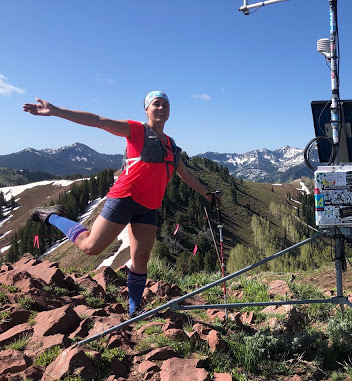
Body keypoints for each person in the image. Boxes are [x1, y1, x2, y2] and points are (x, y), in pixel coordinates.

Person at [23, 91, 221, 317]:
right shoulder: (136, 130)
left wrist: (207, 194)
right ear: (147, 109)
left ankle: (134, 309)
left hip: (149, 207)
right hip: (124, 198)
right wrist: (57, 111)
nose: (161, 107)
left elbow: (184, 173)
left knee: (141, 258)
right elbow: (98, 121)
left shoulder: (172, 146)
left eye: (165, 104)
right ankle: (50, 216)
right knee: (90, 247)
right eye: (156, 103)